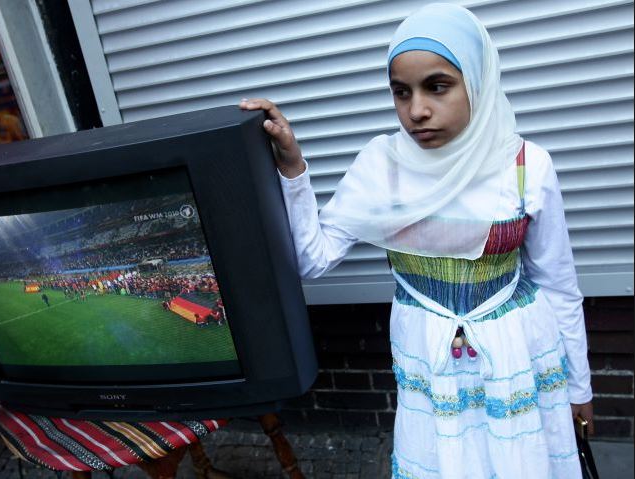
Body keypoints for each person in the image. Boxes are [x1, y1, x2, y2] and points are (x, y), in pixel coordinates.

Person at [240, 4, 593, 478]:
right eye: (401, 93)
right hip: (430, 360)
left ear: (478, 80)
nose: (417, 110)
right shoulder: (382, 166)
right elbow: (312, 260)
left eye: (438, 86)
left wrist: (578, 387)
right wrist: (291, 167)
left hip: (519, 355)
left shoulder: (526, 166)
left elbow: (559, 284)